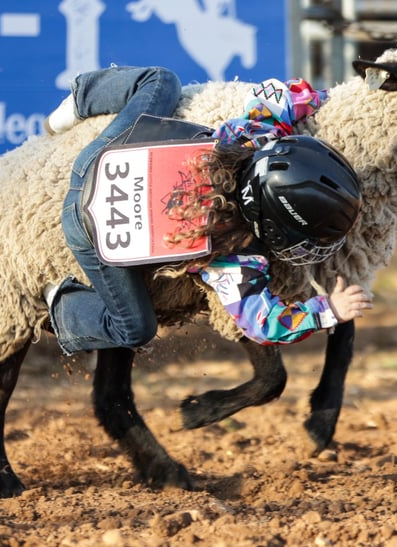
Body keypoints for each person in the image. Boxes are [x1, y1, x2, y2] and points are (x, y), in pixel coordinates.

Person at [43, 65, 372, 354]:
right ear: (271, 225)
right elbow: (263, 324)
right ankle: (60, 304)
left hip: (99, 158)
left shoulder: (247, 140)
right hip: (85, 230)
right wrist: (328, 310)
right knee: (134, 329)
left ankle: (78, 100)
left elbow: (275, 94)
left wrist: (324, 99)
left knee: (160, 80)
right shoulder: (233, 257)